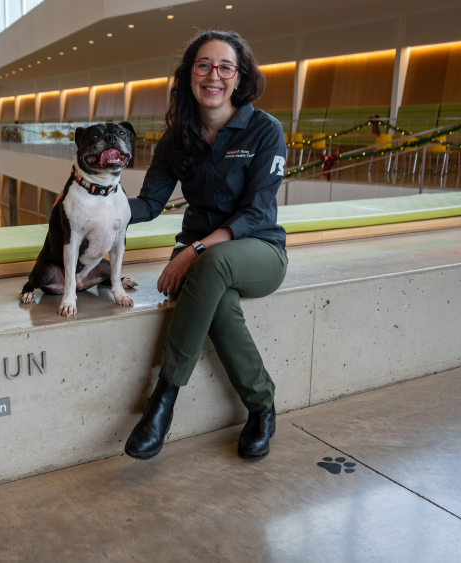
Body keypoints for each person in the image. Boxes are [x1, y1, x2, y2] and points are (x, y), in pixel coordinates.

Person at [124, 30, 288, 462]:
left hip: (259, 251)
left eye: (225, 66)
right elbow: (149, 203)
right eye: (203, 65)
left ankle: (163, 399)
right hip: (205, 261)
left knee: (211, 263)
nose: (213, 74)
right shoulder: (177, 139)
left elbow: (256, 213)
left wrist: (192, 251)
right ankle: (261, 406)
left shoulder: (264, 130)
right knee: (218, 303)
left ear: (239, 78)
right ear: (189, 75)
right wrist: (98, 205)